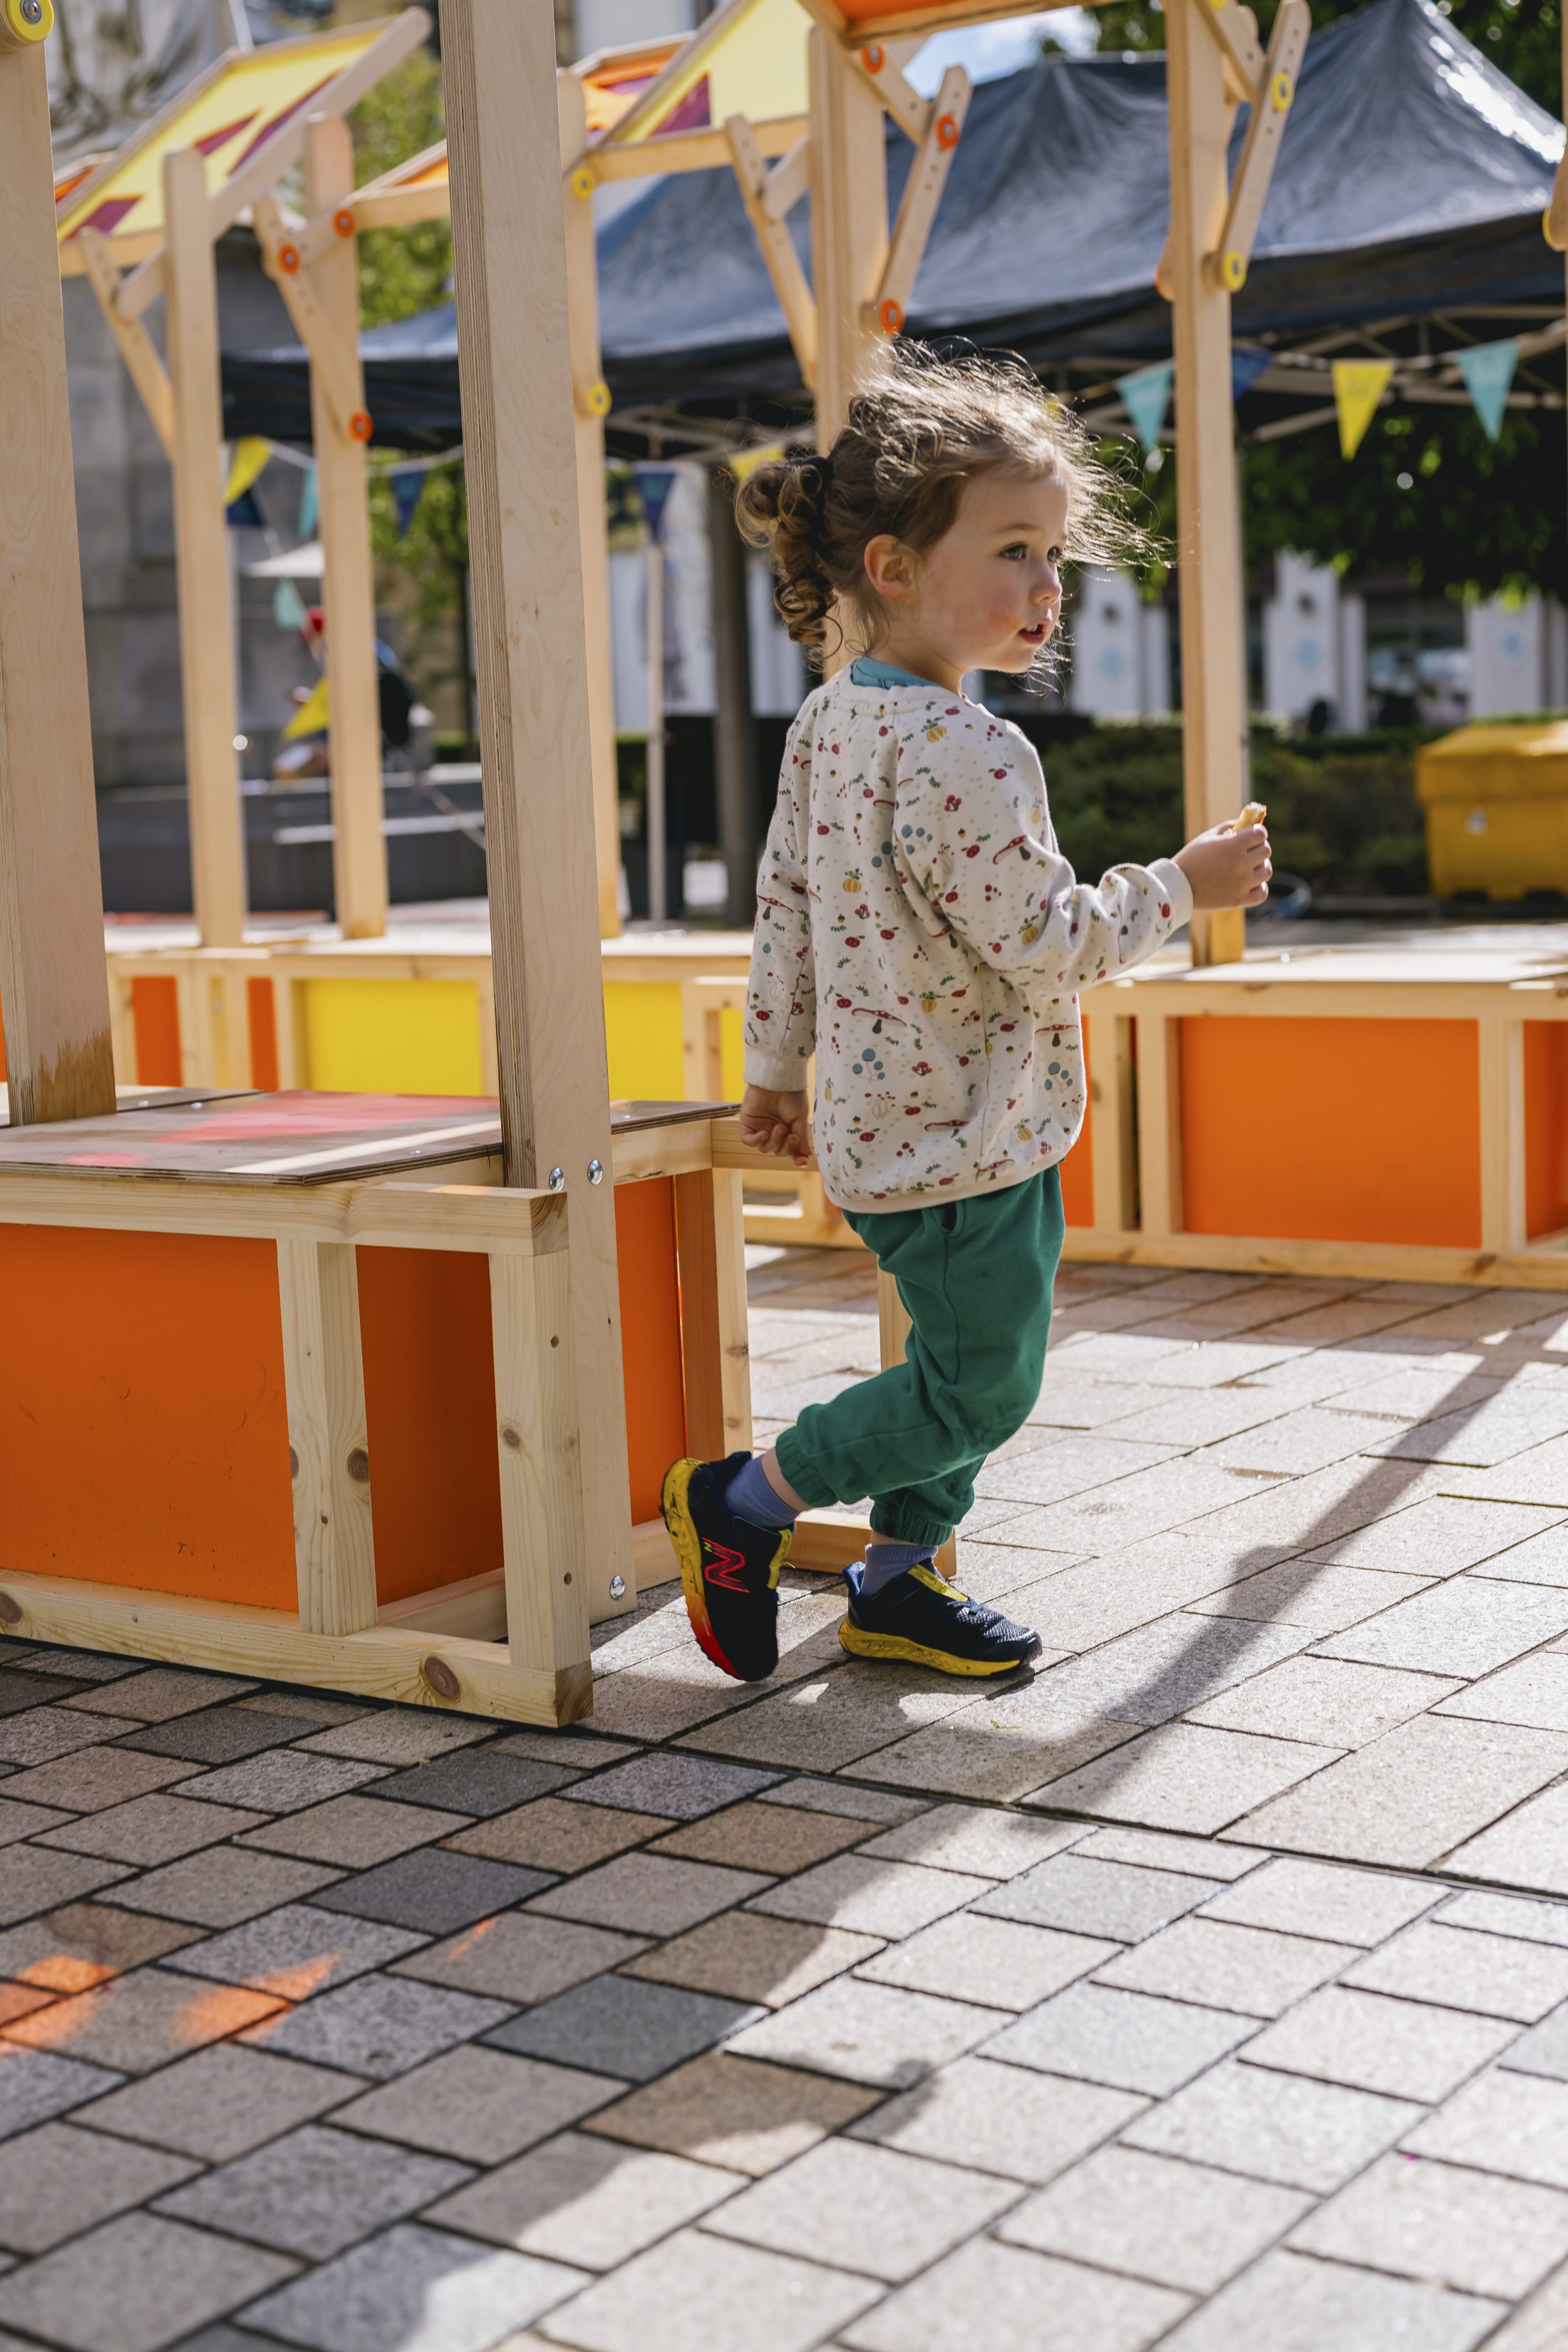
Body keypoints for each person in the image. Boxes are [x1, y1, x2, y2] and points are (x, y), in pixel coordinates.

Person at [661, 349, 1271, 1683]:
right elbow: (1048, 948)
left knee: (962, 1360)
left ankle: (897, 1582)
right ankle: (745, 1502)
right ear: (891, 567)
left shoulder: (829, 721)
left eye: (1055, 555)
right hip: (967, 1135)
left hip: (904, 1126)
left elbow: (785, 906)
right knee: (983, 1384)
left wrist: (775, 1067)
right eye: (1013, 552)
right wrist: (1185, 884)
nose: (1048, 587)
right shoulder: (968, 745)